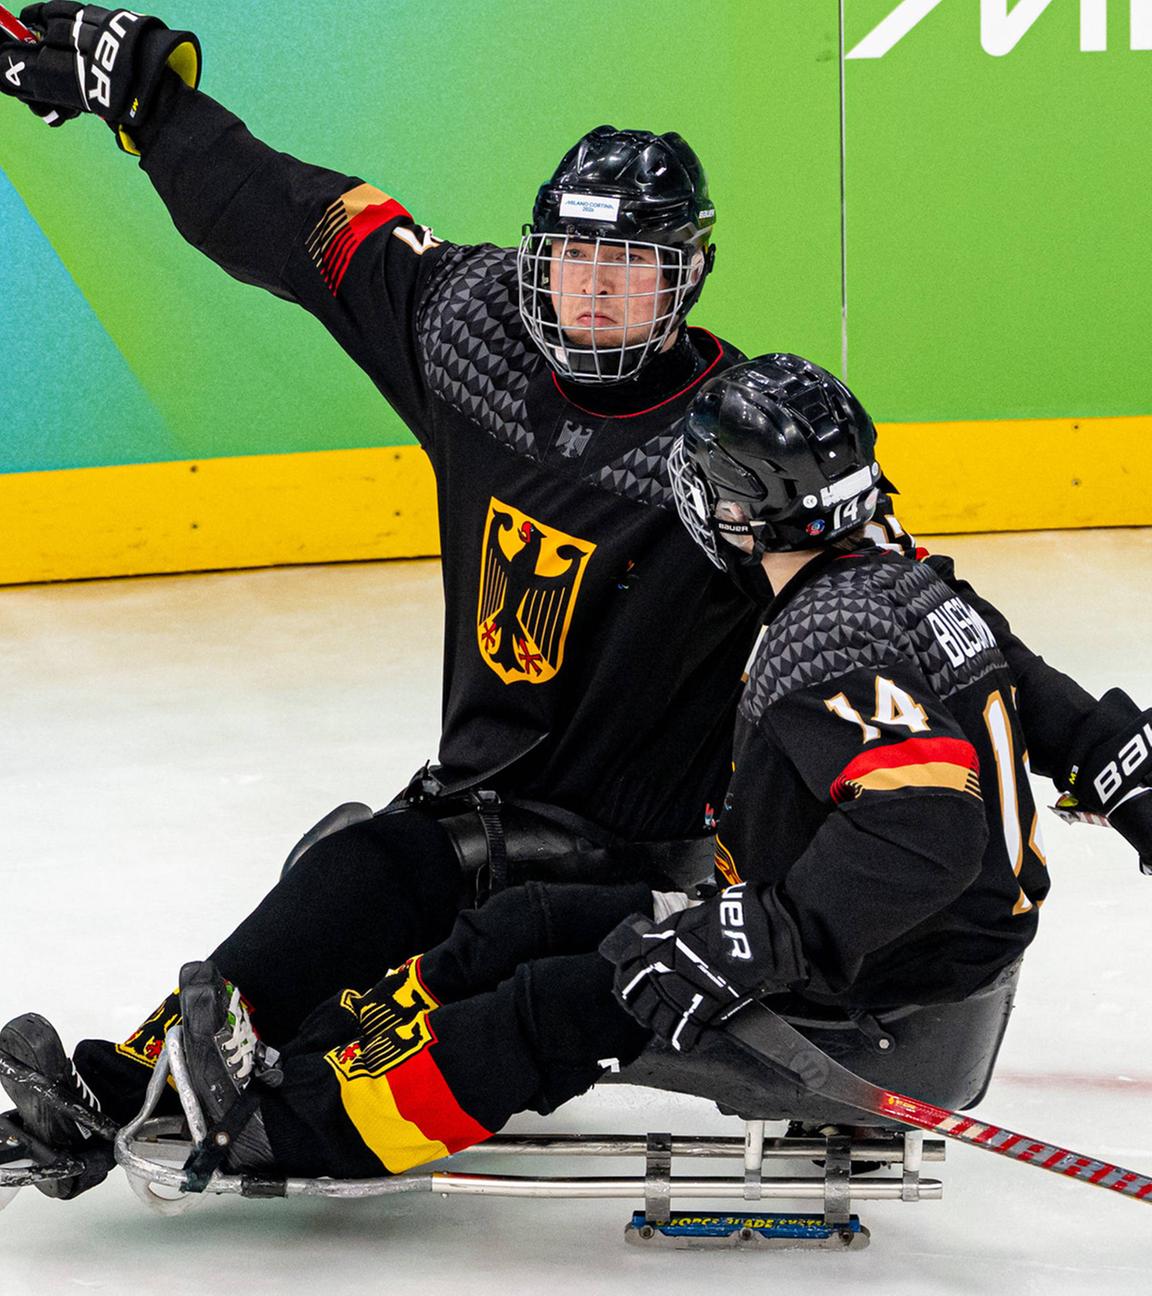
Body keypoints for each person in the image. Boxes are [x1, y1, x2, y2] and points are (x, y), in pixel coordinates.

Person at [1, 7, 1149, 1193]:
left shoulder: (734, 450)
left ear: (686, 278)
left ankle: (289, 1103)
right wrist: (146, 102)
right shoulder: (466, 329)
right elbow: (287, 218)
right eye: (575, 259)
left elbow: (928, 620)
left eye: (631, 267)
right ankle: (132, 1078)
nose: (596, 293)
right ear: (536, 254)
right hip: (476, 805)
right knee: (351, 873)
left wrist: (1106, 750)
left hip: (647, 847)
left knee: (397, 894)